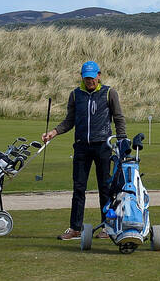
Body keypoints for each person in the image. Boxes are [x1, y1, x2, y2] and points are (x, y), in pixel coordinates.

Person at [42, 61, 128, 240]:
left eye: (92, 77)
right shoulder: (75, 95)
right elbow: (69, 121)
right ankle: (75, 228)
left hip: (103, 146)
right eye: (86, 77)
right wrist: (54, 132)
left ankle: (108, 227)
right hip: (81, 146)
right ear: (82, 76)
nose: (90, 81)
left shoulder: (109, 93)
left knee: (105, 188)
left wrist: (121, 142)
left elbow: (119, 118)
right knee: (78, 188)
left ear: (99, 75)